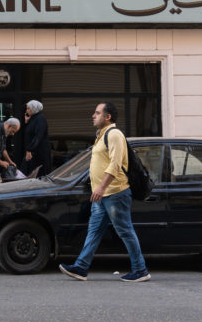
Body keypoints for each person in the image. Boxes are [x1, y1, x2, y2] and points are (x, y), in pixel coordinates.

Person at [59, 102, 150, 283]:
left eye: (97, 113)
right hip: (102, 195)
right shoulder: (100, 136)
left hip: (115, 192)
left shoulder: (114, 134)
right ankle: (81, 267)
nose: (93, 115)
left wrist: (101, 187)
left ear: (107, 117)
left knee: (125, 230)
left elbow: (115, 164)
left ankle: (140, 270)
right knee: (94, 231)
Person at [22, 100, 51, 176]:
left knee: (38, 174)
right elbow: (29, 134)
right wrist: (27, 122)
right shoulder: (33, 119)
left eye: (28, 108)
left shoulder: (40, 119)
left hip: (39, 154)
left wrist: (29, 149)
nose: (26, 110)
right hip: (33, 153)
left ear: (34, 109)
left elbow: (38, 136)